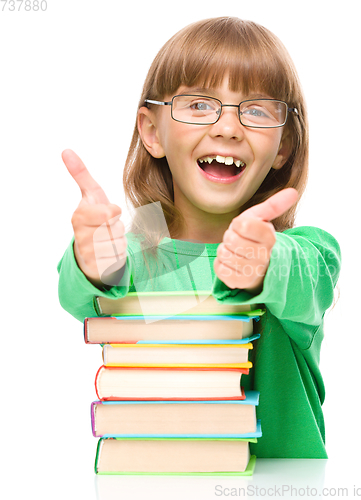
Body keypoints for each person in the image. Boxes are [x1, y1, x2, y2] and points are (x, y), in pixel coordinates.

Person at [58, 17, 341, 459]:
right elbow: (80, 295)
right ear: (152, 132)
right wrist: (94, 262)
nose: (228, 127)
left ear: (282, 148)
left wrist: (263, 263)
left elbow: (304, 275)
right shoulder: (137, 255)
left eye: (256, 110)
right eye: (198, 105)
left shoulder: (306, 250)